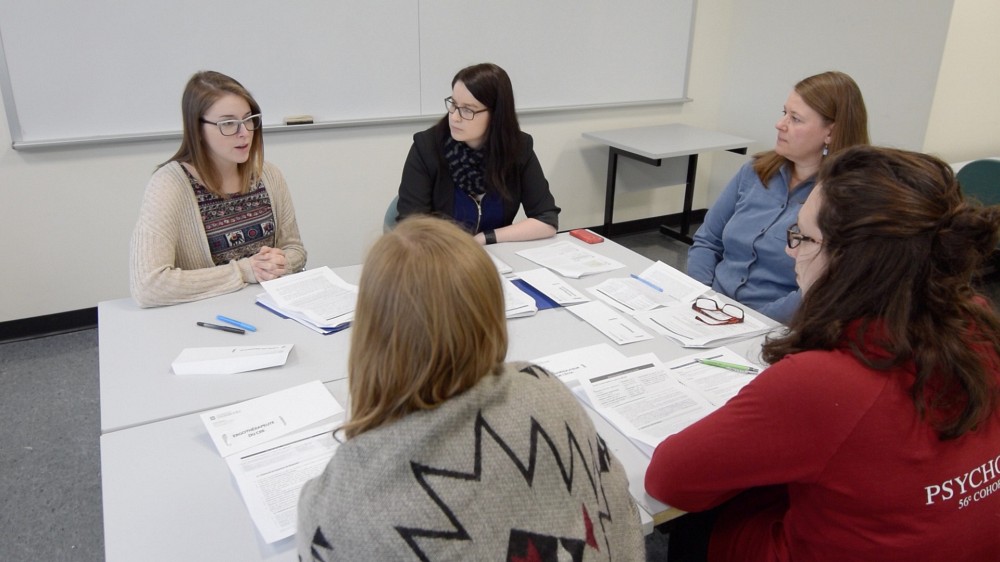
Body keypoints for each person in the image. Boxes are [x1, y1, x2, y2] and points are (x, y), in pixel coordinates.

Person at [645, 146, 1000, 561]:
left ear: (854, 261)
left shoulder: (826, 379)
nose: (791, 251)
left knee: (697, 516)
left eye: (803, 238)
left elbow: (669, 480)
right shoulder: (976, 320)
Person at [297, 217, 644, 560]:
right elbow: (619, 504)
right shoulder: (545, 388)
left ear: (370, 335)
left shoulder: (339, 509)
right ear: (492, 316)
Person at [687, 71, 868, 323]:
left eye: (795, 119)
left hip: (772, 324)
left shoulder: (847, 198)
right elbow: (707, 240)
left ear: (831, 133)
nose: (780, 124)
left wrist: (749, 323)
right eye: (784, 113)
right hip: (709, 307)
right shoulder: (755, 171)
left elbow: (817, 288)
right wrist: (702, 297)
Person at [129, 70, 306, 307]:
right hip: (205, 319)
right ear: (197, 130)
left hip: (268, 309)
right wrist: (244, 271)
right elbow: (148, 286)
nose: (244, 133)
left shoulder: (268, 175)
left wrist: (280, 262)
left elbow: (295, 249)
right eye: (228, 123)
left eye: (248, 119)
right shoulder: (169, 185)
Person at [396, 63, 560, 244]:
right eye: (453, 104)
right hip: (441, 259)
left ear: (496, 114)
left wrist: (484, 238)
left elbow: (546, 219)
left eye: (467, 109)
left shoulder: (519, 149)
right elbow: (410, 228)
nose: (455, 117)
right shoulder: (427, 147)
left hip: (494, 257)